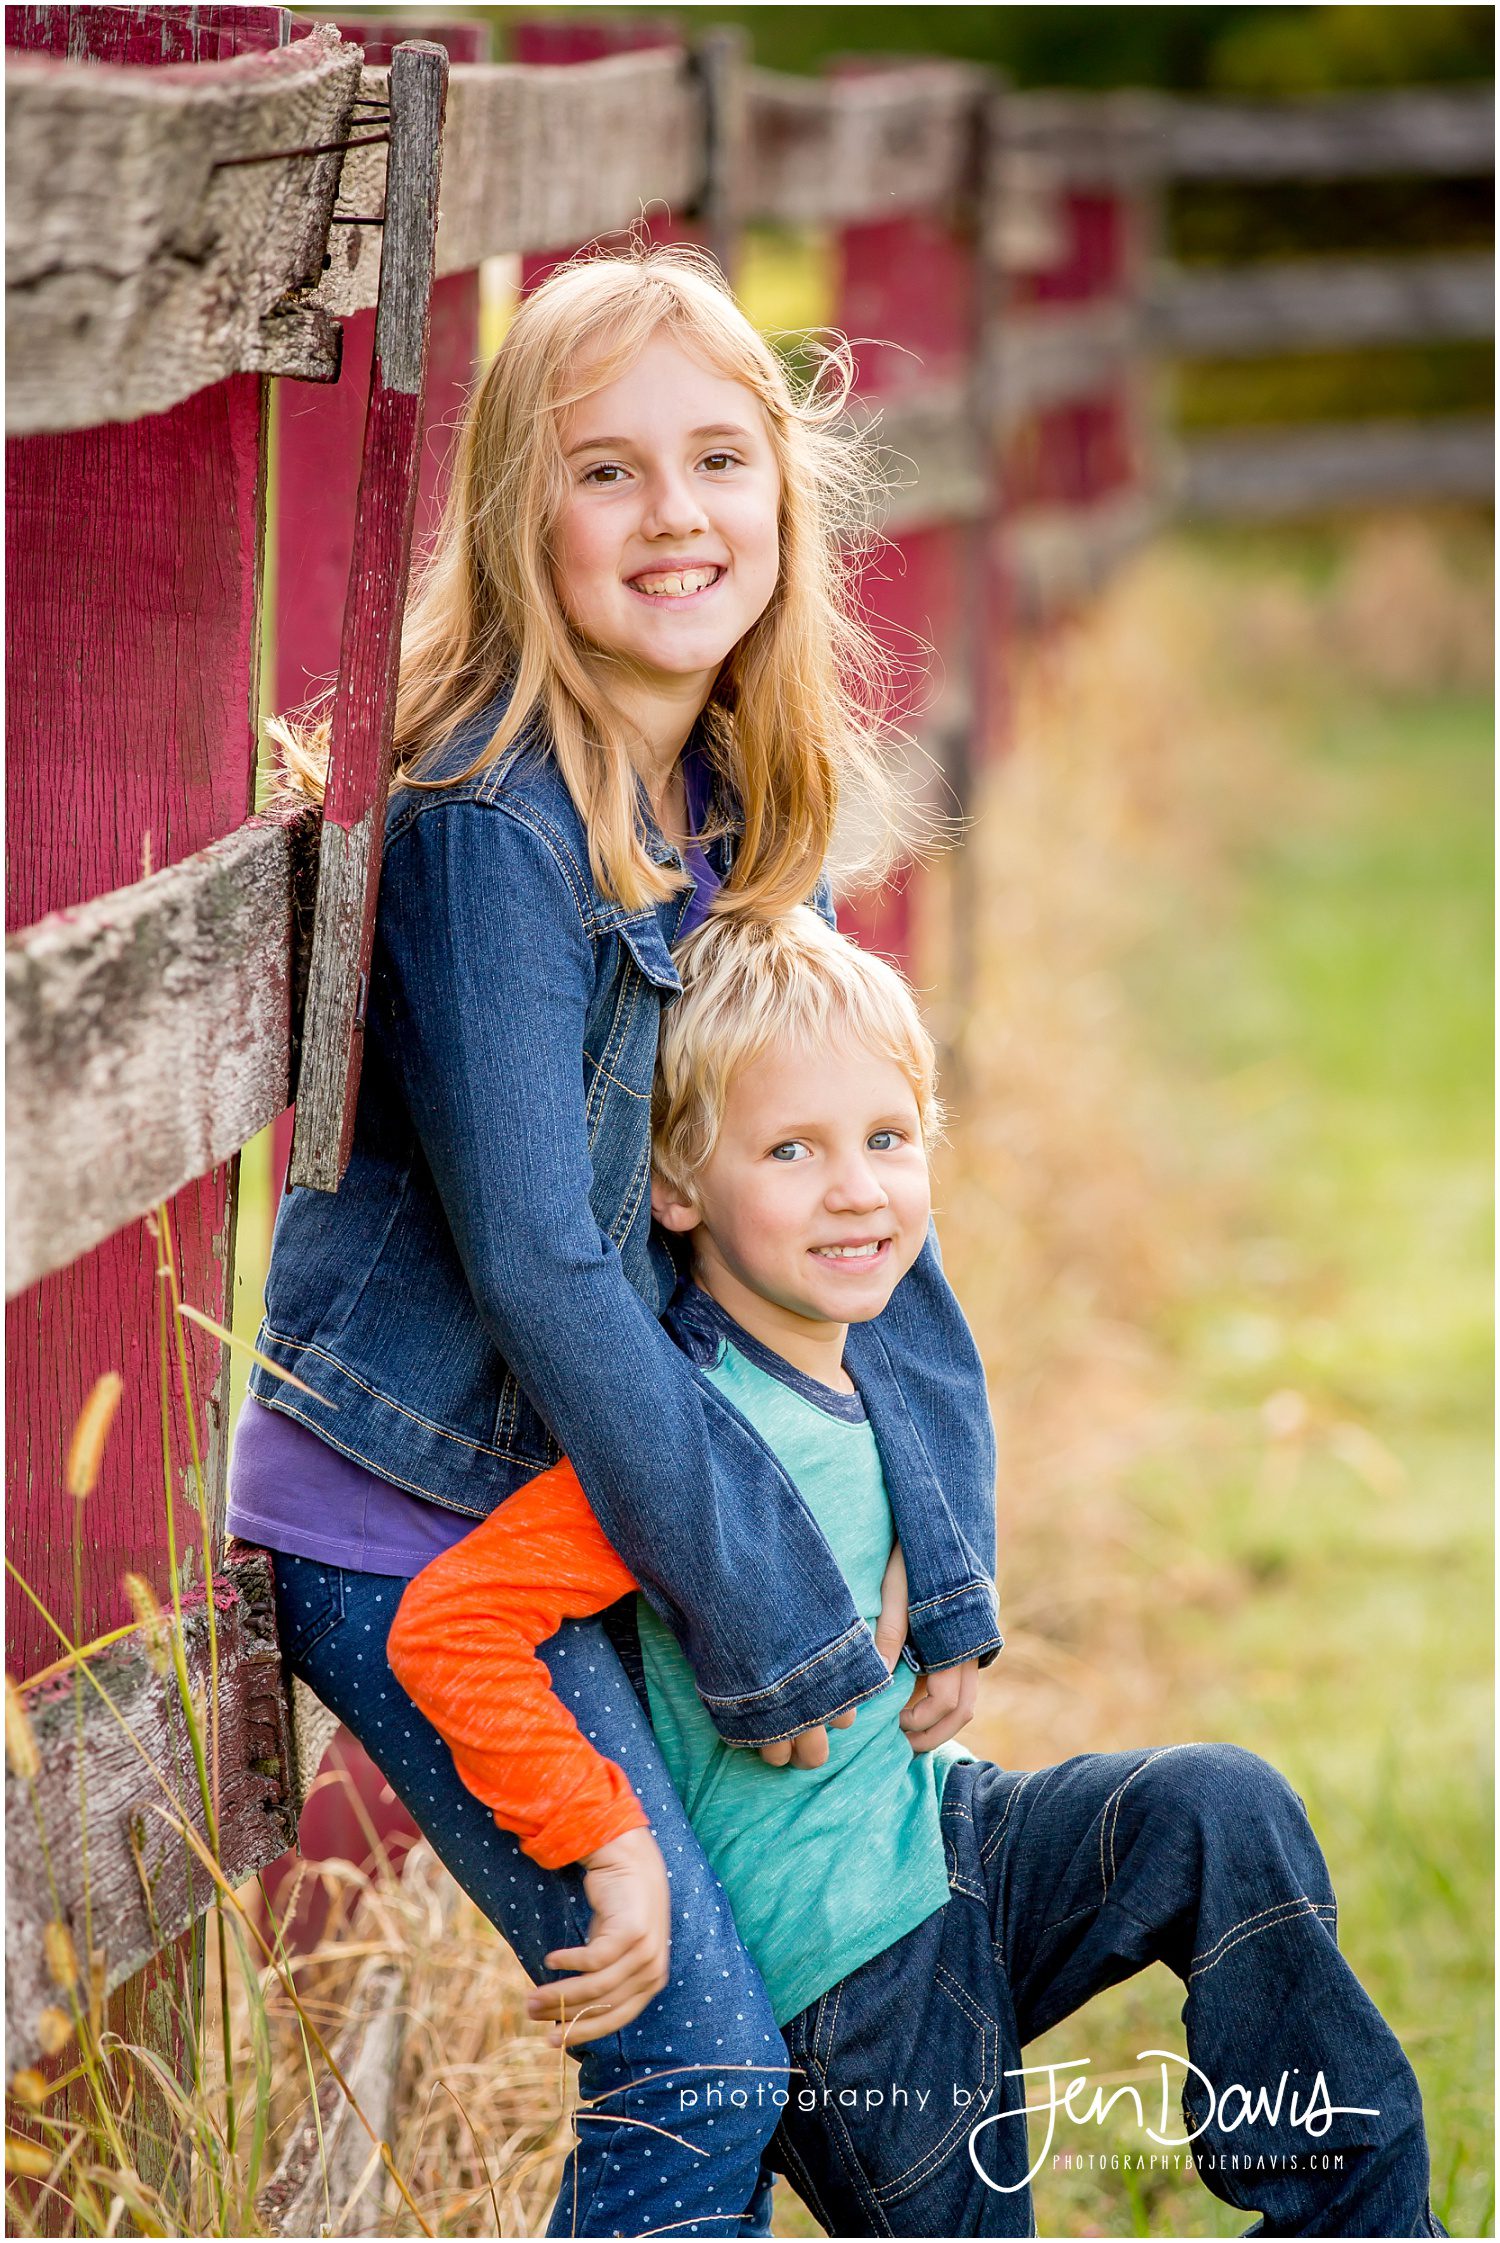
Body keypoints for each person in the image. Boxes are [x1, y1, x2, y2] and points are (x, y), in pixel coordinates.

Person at [228, 243, 1001, 2239]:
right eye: (608, 473)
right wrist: (766, 1623)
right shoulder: (492, 816)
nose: (678, 516)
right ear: (519, 517)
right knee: (701, 2061)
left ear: (783, 498)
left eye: (722, 460)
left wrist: (946, 1559)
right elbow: (547, 1269)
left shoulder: (735, 802)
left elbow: (845, 1210)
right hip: (414, 1529)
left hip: (594, 1511)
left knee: (789, 2034)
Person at [388, 908, 1446, 2241]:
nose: (858, 1189)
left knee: (1216, 1809)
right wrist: (606, 1838)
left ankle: (1362, 2216)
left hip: (950, 1843)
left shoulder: (862, 1361)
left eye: (887, 1141)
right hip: (848, 1976)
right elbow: (454, 1624)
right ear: (677, 1184)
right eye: (793, 1151)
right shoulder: (676, 1434)